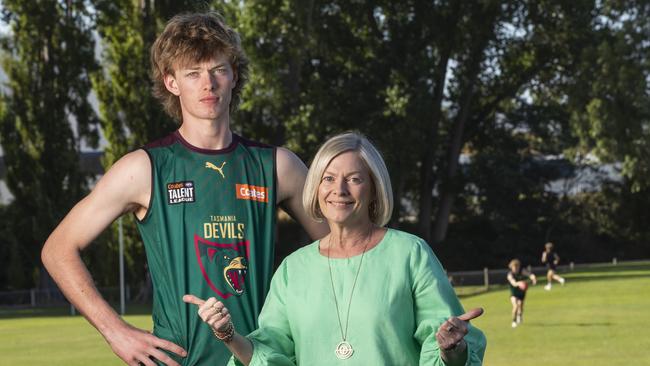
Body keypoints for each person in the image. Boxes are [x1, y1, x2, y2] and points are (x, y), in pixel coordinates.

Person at [41, 12, 327, 366]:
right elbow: (58, 250)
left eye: (218, 69)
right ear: (172, 82)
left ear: (234, 75)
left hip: (259, 358)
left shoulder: (278, 166)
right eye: (193, 73)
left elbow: (339, 249)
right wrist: (115, 332)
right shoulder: (143, 169)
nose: (208, 83)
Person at [184, 132, 487, 365]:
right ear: (316, 189)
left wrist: (452, 348)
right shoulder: (293, 269)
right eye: (328, 179)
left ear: (373, 190)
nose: (339, 190)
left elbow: (445, 344)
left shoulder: (410, 254)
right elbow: (271, 353)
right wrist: (228, 334)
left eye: (354, 179)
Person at [506, 259, 536, 328]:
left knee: (521, 306)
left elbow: (530, 275)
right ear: (511, 267)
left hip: (522, 292)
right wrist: (519, 283)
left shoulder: (522, 271)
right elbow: (513, 283)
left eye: (518, 267)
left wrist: (533, 278)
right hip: (514, 292)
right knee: (515, 306)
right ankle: (514, 321)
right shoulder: (510, 274)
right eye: (515, 267)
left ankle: (519, 316)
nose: (516, 268)